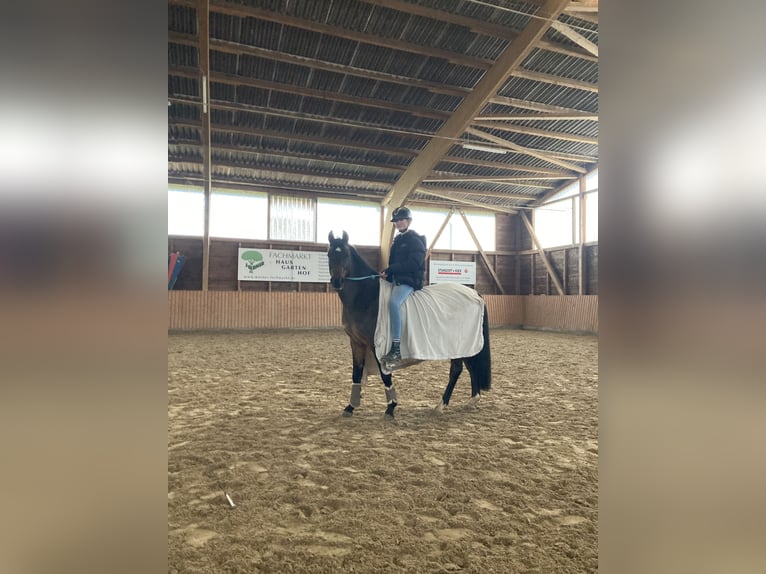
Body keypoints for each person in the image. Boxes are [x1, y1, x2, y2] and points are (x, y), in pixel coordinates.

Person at [379, 206, 427, 365]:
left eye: (401, 220)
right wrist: (388, 274)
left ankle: (396, 348)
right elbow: (394, 264)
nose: (398, 223)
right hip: (398, 279)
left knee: (393, 302)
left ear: (409, 221)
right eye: (396, 221)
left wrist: (392, 269)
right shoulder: (398, 241)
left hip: (410, 281)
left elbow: (414, 264)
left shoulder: (415, 240)